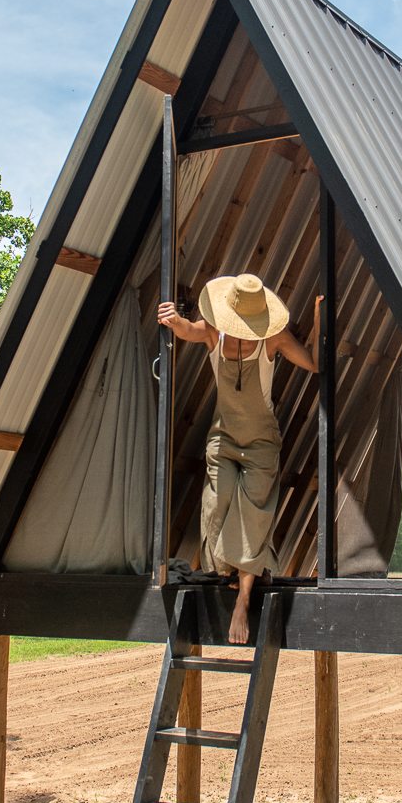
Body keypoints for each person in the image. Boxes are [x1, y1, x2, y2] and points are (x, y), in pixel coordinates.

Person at [158, 273, 319, 643]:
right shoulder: (214, 334)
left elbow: (312, 364)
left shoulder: (273, 339)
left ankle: (243, 601)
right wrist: (170, 316)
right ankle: (229, 573)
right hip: (223, 437)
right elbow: (185, 329)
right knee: (216, 504)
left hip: (262, 442)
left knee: (252, 517)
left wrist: (319, 319)